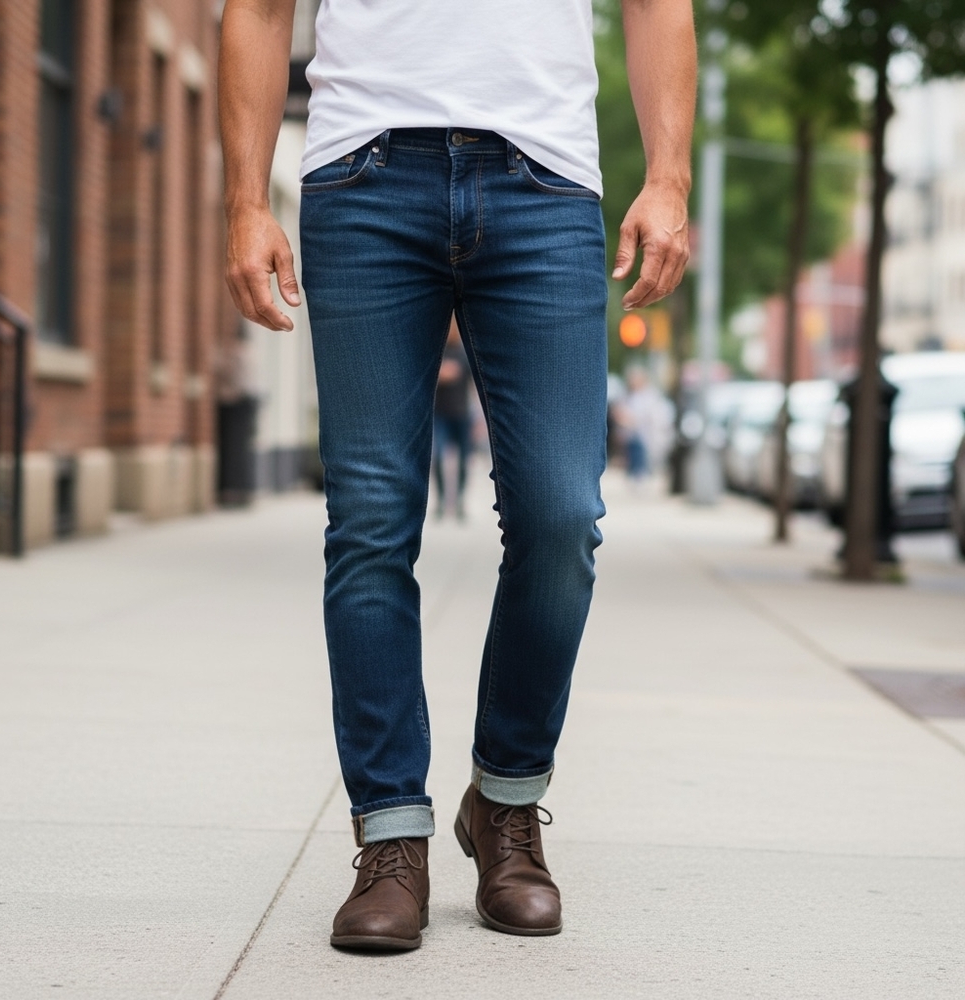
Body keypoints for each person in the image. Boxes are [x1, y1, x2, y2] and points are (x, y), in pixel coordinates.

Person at [219, 0, 695, 950]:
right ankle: (391, 837)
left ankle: (505, 805)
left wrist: (670, 176)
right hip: (363, 172)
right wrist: (244, 199)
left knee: (562, 514)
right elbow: (261, 10)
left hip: (545, 178)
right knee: (368, 523)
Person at [432, 319, 474, 521]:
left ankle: (459, 501)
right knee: (438, 456)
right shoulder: (436, 350)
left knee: (464, 460)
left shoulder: (465, 353)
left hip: (462, 414)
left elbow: (474, 385)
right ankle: (440, 501)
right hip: (439, 414)